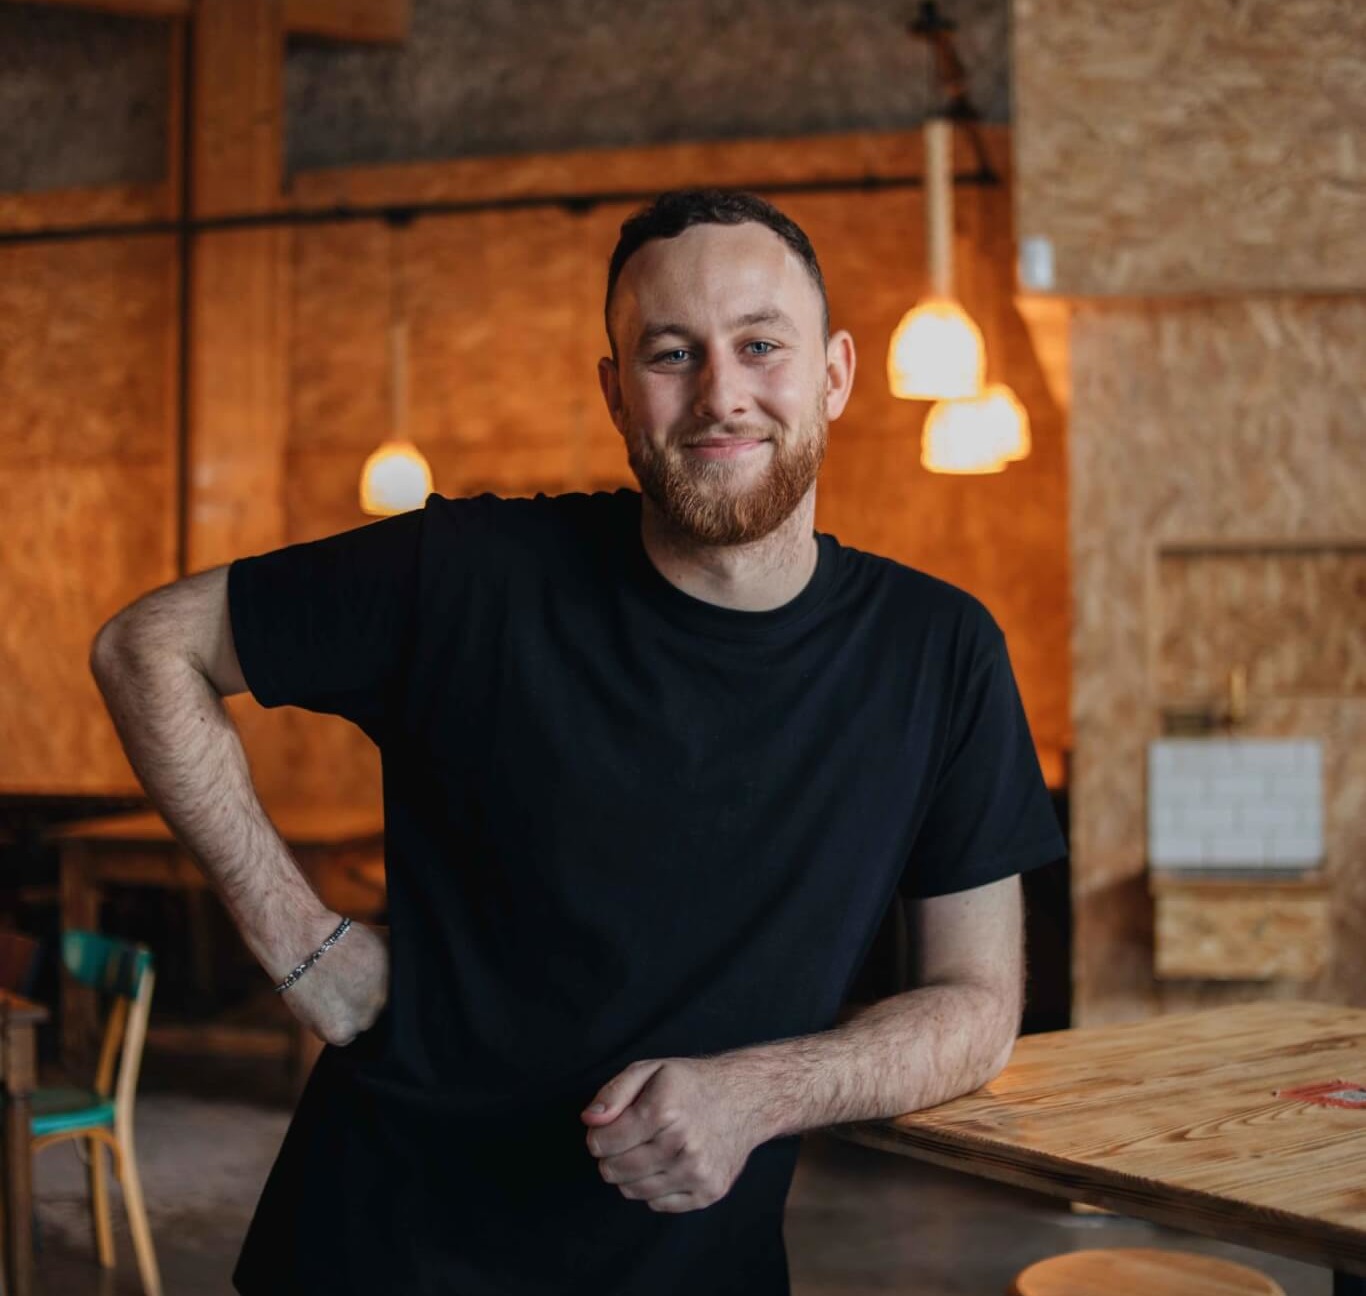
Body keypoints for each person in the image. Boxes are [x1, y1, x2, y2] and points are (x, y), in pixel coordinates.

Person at [90, 188, 1067, 1296]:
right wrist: (299, 942)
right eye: (670, 353)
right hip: (383, 1255)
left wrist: (758, 1095)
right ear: (615, 393)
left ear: (835, 374)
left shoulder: (937, 652)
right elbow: (145, 647)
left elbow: (976, 1004)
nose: (721, 393)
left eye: (760, 345)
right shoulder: (468, 574)